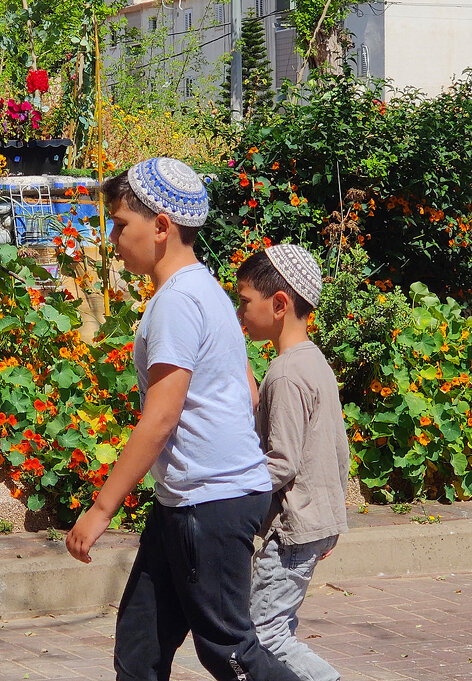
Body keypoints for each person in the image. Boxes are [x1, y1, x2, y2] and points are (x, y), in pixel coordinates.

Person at [66, 157, 303, 681]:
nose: (112, 237)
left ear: (161, 227)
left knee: (229, 650)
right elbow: (245, 388)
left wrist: (102, 509)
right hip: (192, 499)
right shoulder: (207, 290)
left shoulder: (177, 301)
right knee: (141, 645)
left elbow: (162, 416)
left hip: (209, 502)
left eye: (121, 223)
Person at [236, 245, 350, 681]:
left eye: (246, 300)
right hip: (314, 521)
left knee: (266, 635)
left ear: (279, 304)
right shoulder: (315, 362)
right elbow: (338, 450)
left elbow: (280, 462)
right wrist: (333, 517)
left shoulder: (285, 373)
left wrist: (231, 490)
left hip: (291, 529)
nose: (242, 311)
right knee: (275, 625)